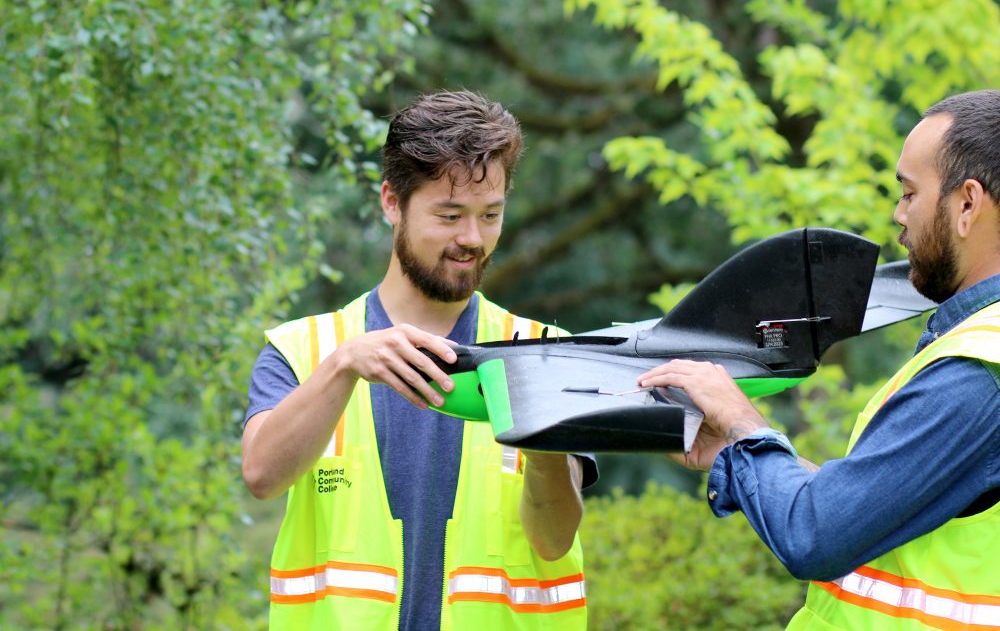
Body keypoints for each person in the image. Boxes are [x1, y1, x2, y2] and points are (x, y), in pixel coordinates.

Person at [638, 89, 1000, 630]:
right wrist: (732, 456)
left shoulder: (979, 373)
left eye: (909, 193)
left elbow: (817, 534)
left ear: (967, 204)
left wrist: (744, 425)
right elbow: (865, 509)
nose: (899, 215)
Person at [241, 90, 595, 630]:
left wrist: (541, 436)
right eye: (449, 215)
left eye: (490, 215)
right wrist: (343, 366)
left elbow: (552, 542)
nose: (471, 239)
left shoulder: (547, 350)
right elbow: (262, 475)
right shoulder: (303, 350)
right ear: (391, 202)